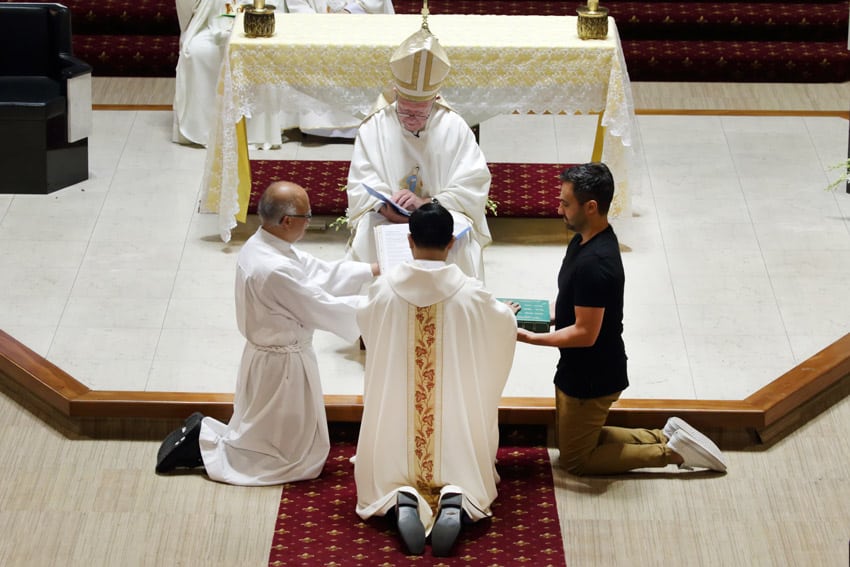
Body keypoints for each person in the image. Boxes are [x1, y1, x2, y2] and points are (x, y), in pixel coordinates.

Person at [156, 181, 379, 485]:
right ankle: (204, 445)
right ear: (287, 221)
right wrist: (380, 306)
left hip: (270, 357)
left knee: (265, 430)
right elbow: (319, 305)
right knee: (281, 450)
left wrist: (372, 270)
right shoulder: (273, 267)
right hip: (281, 364)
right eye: (307, 215)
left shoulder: (263, 244)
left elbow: (315, 273)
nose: (309, 221)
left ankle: (206, 440)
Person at [516, 163, 728, 475]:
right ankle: (663, 436)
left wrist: (528, 337)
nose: (558, 208)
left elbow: (585, 333)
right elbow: (570, 303)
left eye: (565, 203)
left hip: (591, 375)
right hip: (579, 367)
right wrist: (529, 315)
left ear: (591, 207)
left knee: (575, 459)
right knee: (576, 440)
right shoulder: (582, 241)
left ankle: (670, 453)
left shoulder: (596, 263)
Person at [353, 203, 518, 556]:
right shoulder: (473, 294)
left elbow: (366, 323)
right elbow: (500, 325)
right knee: (458, 439)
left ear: (409, 241)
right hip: (451, 427)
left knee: (390, 462)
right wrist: (506, 315)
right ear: (451, 244)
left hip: (397, 423)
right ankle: (456, 495)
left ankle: (402, 496)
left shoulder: (382, 290)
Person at [345, 22, 491, 280]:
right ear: (394, 94)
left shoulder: (454, 127)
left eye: (420, 112)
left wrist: (428, 204)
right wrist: (383, 206)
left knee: (461, 243)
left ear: (435, 100)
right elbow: (361, 181)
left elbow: (472, 183)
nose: (411, 118)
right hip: (388, 218)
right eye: (405, 110)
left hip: (441, 216)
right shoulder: (375, 126)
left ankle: (456, 308)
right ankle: (376, 312)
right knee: (368, 234)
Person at [172, 0, 395, 147]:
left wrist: (348, 12)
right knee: (203, 51)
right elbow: (297, 4)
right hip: (317, 21)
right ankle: (219, 126)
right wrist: (318, 20)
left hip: (362, 17)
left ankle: (371, 120)